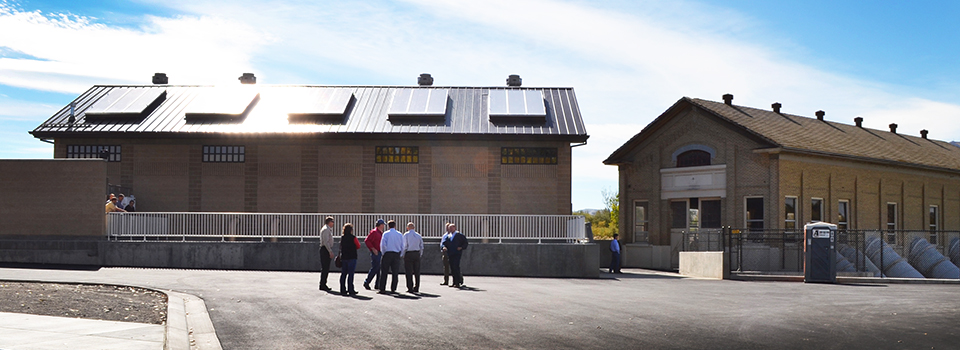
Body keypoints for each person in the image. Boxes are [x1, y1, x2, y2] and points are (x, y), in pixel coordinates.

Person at [378, 220, 405, 294]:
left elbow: (383, 245)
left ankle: (382, 288)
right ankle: (393, 288)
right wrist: (401, 254)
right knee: (395, 272)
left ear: (388, 226)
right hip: (396, 254)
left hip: (387, 253)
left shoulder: (385, 234)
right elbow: (403, 246)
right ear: (395, 226)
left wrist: (383, 253)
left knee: (384, 272)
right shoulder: (399, 234)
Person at [442, 223, 468, 288]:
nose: (450, 229)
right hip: (450, 253)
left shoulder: (459, 235)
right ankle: (454, 282)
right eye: (449, 228)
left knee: (456, 267)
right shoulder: (449, 236)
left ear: (454, 228)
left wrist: (461, 247)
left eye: (451, 228)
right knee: (452, 268)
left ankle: (457, 282)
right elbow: (445, 243)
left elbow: (465, 243)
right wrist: (444, 247)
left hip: (457, 254)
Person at [363, 219, 385, 290]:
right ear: (380, 225)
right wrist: (373, 249)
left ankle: (377, 284)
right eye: (382, 225)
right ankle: (367, 282)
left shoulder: (380, 233)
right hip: (376, 252)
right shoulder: (374, 232)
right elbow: (367, 241)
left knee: (379, 269)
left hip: (380, 252)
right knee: (375, 268)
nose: (383, 226)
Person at [338, 223, 361, 296]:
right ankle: (351, 289)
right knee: (351, 274)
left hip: (344, 257)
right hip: (352, 257)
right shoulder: (353, 238)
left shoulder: (343, 237)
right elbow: (358, 246)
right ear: (351, 230)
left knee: (343, 274)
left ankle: (342, 289)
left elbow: (341, 247)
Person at [402, 222, 424, 294]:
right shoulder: (418, 235)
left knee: (409, 271)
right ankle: (417, 287)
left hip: (409, 253)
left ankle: (410, 287)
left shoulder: (406, 235)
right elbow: (421, 246)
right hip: (416, 253)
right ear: (414, 227)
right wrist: (420, 254)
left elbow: (405, 245)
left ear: (407, 228)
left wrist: (403, 254)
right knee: (417, 271)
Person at [318, 216, 336, 291]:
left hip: (326, 249)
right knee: (325, 268)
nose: (333, 223)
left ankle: (323, 283)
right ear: (329, 222)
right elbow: (326, 242)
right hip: (325, 250)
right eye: (332, 222)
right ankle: (322, 284)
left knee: (326, 268)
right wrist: (330, 251)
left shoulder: (328, 229)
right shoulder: (326, 230)